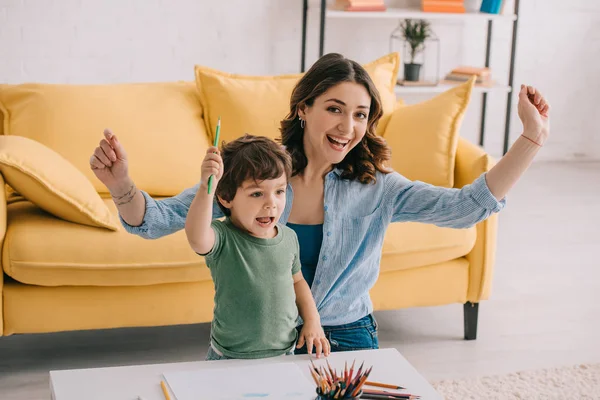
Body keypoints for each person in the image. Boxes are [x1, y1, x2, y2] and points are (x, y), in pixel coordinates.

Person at [90, 53, 550, 354]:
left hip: (347, 335)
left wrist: (531, 139)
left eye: (360, 114)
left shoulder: (378, 187)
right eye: (334, 108)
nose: (347, 126)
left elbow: (467, 207)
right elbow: (154, 221)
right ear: (304, 108)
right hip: (258, 341)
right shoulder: (255, 172)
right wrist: (122, 183)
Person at [185, 134, 329, 360]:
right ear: (225, 197)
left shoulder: (289, 237)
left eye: (279, 191)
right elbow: (196, 237)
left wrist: (312, 321)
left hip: (284, 353)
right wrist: (206, 187)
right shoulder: (223, 237)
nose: (271, 203)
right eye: (257, 193)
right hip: (230, 357)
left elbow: (298, 281)